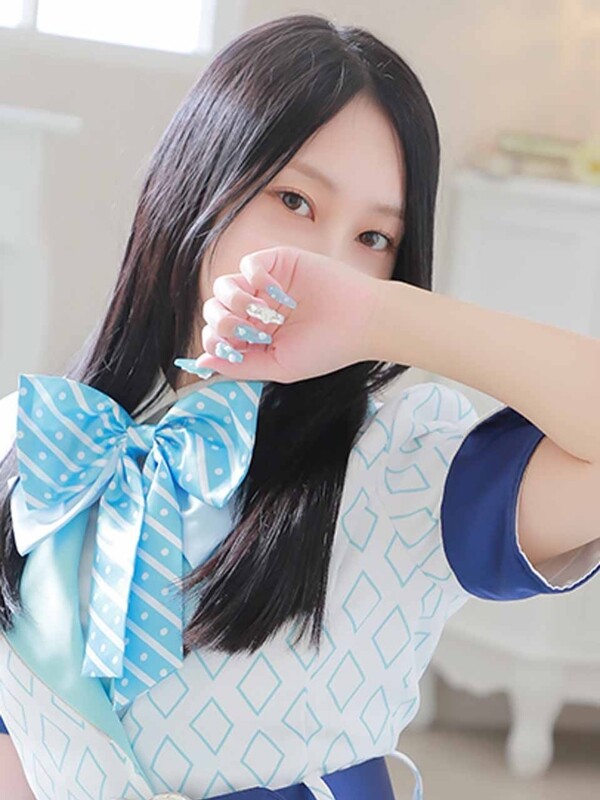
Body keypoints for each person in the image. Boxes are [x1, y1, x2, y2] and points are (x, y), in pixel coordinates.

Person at [1, 13, 599, 800]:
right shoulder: (38, 439)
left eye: (374, 239)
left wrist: (382, 316)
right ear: (196, 185)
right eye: (295, 200)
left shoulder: (409, 469)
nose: (327, 265)